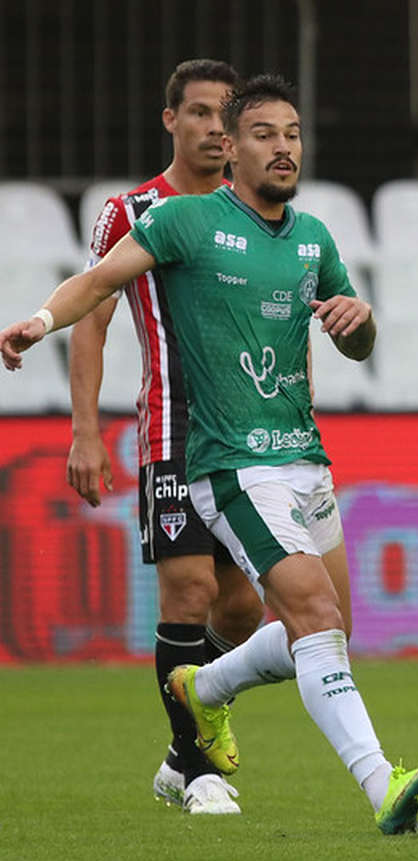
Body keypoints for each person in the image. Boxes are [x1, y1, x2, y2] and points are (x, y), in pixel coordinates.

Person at [1, 73, 418, 836]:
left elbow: (358, 342)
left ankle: (201, 691)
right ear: (231, 150)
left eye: (293, 134)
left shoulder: (313, 238)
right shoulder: (181, 222)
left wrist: (359, 324)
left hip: (305, 458)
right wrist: (37, 322)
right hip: (223, 458)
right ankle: (382, 785)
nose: (283, 147)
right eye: (265, 134)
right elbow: (99, 285)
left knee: (321, 623)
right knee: (299, 611)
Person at [72, 58, 267, 816]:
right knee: (188, 592)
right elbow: (91, 321)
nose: (216, 128)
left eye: (227, 115)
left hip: (249, 436)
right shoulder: (129, 210)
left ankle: (177, 755)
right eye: (201, 113)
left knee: (245, 610)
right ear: (172, 121)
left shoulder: (253, 209)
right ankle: (199, 772)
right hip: (173, 431)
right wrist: (86, 433)